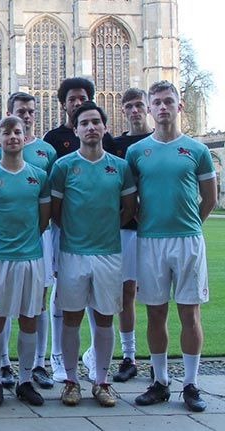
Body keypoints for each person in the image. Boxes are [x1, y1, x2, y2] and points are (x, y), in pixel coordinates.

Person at [126, 80, 217, 412]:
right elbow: (130, 199)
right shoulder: (137, 152)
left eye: (168, 102)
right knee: (155, 312)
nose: (162, 108)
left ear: (179, 107)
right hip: (150, 241)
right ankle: (161, 381)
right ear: (149, 109)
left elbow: (210, 198)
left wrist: (189, 224)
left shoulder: (197, 150)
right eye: (157, 103)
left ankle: (191, 384)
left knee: (189, 312)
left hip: (187, 240)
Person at [51, 101, 137, 407]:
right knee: (71, 319)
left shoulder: (120, 166)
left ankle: (101, 381)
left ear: (104, 126)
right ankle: (71, 381)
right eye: (84, 123)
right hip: (73, 252)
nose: (90, 127)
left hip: (108, 253)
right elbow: (57, 212)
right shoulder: (63, 167)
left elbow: (129, 209)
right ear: (75, 130)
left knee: (104, 319)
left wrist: (106, 228)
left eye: (95, 122)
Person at [0, 116, 50, 407]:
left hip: (31, 259)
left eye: (18, 132)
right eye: (7, 132)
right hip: (0, 261)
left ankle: (25, 381)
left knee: (30, 320)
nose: (13, 137)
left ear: (25, 136)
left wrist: (26, 242)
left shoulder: (39, 176)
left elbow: (43, 220)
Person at [43, 79, 113, 381]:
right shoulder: (52, 139)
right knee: (62, 290)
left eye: (82, 98)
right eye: (72, 99)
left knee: (100, 300)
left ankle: (96, 360)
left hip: (100, 236)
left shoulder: (102, 142)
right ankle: (57, 355)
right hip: (65, 229)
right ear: (64, 105)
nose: (76, 103)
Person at [0, 92, 59, 389]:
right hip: (5, 243)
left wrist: (39, 231)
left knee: (38, 303)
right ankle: (3, 364)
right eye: (21, 112)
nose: (27, 116)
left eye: (30, 111)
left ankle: (38, 365)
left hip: (37, 238)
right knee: (1, 307)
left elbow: (50, 201)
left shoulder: (46, 151)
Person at [107, 88, 154, 382]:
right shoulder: (117, 144)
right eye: (130, 106)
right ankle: (129, 356)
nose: (135, 111)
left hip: (155, 230)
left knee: (155, 297)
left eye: (139, 105)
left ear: (146, 107)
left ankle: (158, 362)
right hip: (126, 229)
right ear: (123, 110)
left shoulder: (160, 142)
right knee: (126, 292)